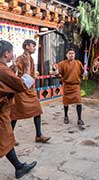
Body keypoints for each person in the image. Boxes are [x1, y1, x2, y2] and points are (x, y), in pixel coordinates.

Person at [0, 40, 37, 179]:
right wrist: (26, 69)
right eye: (10, 52)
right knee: (6, 138)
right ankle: (19, 167)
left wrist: (14, 68)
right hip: (1, 110)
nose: (12, 54)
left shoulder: (4, 67)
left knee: (6, 138)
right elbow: (22, 84)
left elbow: (8, 78)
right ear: (6, 53)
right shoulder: (4, 68)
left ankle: (19, 167)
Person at [10, 39, 50, 143]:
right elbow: (14, 72)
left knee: (37, 110)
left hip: (30, 90)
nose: (35, 48)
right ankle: (9, 138)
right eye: (33, 46)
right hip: (21, 90)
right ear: (27, 46)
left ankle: (39, 135)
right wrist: (14, 66)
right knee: (15, 114)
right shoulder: (21, 58)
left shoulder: (30, 58)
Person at [53, 48, 85, 127]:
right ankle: (66, 116)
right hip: (67, 86)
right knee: (66, 102)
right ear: (66, 55)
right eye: (70, 53)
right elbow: (57, 73)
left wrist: (85, 74)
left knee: (78, 102)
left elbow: (83, 72)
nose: (71, 55)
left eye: (73, 53)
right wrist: (55, 69)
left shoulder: (78, 63)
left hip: (76, 86)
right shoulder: (62, 63)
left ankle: (79, 119)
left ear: (74, 55)